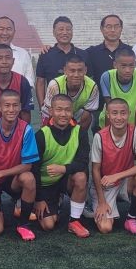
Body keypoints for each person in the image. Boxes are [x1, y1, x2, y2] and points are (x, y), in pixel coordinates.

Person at [0, 90, 40, 241]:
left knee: (29, 178)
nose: (11, 109)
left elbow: (27, 166)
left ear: (20, 107)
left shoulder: (26, 129)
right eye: (7, 105)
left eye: (15, 105)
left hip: (12, 180)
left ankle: (23, 224)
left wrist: (1, 173)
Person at [33, 95, 91, 237]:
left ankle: (74, 221)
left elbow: (83, 161)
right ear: (51, 111)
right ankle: (53, 202)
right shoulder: (41, 135)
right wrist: (38, 199)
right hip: (46, 184)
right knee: (48, 225)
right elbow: (33, 169)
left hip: (66, 179)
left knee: (81, 176)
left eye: (67, 110)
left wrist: (63, 169)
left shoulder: (80, 132)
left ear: (72, 112)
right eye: (59, 110)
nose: (63, 114)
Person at [90, 99, 136, 235]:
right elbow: (95, 170)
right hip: (105, 185)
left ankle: (131, 218)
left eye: (123, 113)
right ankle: (102, 203)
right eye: (114, 113)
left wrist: (117, 176)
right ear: (107, 115)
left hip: (124, 181)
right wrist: (102, 201)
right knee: (105, 228)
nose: (119, 117)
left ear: (129, 113)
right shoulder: (100, 136)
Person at [35, 16, 86, 107]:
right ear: (54, 32)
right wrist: (42, 107)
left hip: (77, 106)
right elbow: (40, 82)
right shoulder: (46, 54)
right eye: (61, 29)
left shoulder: (83, 54)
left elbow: (89, 81)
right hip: (53, 108)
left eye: (68, 29)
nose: (65, 32)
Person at [40, 54, 99, 130]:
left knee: (88, 117)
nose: (76, 75)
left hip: (76, 112)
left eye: (80, 70)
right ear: (65, 71)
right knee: (48, 131)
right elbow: (50, 111)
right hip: (53, 113)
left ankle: (80, 137)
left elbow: (88, 112)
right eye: (72, 71)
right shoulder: (54, 85)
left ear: (85, 70)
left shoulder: (92, 87)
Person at [97, 47, 136, 130]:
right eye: (123, 66)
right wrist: (108, 135)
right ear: (115, 65)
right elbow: (109, 107)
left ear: (135, 64)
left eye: (131, 65)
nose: (128, 70)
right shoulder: (107, 77)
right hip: (111, 121)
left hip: (133, 123)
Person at [85, 14, 133, 94]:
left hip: (125, 100)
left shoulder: (131, 51)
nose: (113, 30)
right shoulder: (91, 53)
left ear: (121, 29)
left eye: (116, 26)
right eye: (109, 26)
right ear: (101, 29)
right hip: (98, 101)